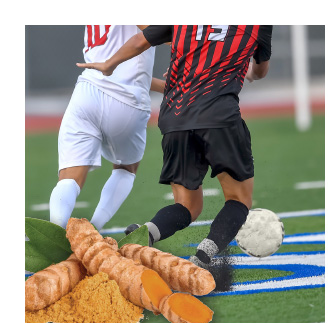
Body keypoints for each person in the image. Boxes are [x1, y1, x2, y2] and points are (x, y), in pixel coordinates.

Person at [78, 25, 272, 268]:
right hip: (219, 117)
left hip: (175, 117)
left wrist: (109, 64)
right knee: (239, 199)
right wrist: (249, 72)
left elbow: (140, 41)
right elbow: (260, 70)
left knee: (187, 205)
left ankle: (146, 232)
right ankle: (205, 252)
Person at [50, 25, 165, 230]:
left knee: (69, 178)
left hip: (87, 91)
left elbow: (117, 65)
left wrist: (167, 86)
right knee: (126, 169)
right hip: (126, 99)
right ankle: (94, 229)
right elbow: (159, 32)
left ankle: (54, 233)